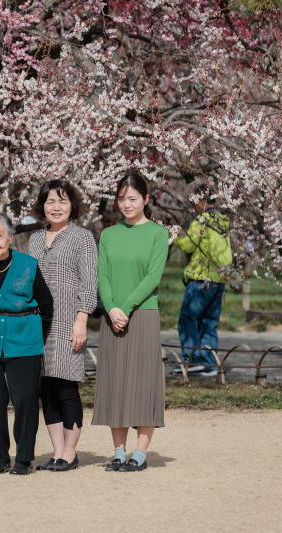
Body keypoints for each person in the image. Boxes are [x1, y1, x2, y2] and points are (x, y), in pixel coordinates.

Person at [93, 173, 168, 472]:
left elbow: (153, 276)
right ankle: (119, 451)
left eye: (133, 198)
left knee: (144, 382)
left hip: (143, 315)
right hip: (113, 319)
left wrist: (123, 308)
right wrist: (111, 309)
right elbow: (104, 276)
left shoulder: (158, 234)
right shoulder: (108, 235)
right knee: (116, 382)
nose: (126, 204)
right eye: (122, 198)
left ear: (146, 199)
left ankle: (140, 453)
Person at [0, 212, 53, 476]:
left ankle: (23, 459)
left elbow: (46, 304)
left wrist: (35, 338)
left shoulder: (29, 264)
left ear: (9, 237)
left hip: (25, 342)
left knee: (25, 402)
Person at [27, 179, 97, 472]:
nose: (56, 207)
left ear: (73, 206)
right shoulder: (33, 240)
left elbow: (90, 282)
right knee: (45, 388)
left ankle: (70, 452)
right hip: (36, 325)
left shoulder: (82, 238)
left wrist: (82, 320)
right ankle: (56, 451)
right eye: (50, 202)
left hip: (69, 321)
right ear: (42, 206)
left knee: (66, 387)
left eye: (63, 201)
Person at [172, 183, 232, 378]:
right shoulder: (223, 221)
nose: (193, 205)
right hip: (218, 280)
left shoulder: (203, 220)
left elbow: (188, 246)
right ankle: (209, 364)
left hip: (200, 280)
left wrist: (173, 235)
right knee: (209, 322)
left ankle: (193, 360)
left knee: (188, 319)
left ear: (201, 200)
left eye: (194, 200)